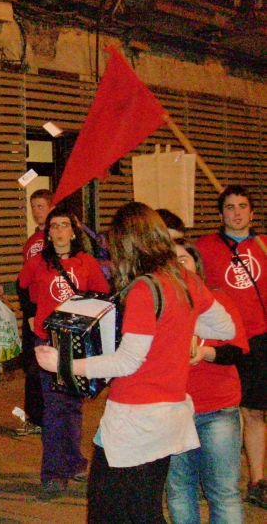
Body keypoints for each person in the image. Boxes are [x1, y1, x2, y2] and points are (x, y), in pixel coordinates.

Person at [36, 202, 235, 524]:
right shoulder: (184, 278)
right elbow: (224, 327)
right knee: (143, 508)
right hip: (170, 413)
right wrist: (176, 326)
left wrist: (64, 364)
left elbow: (127, 362)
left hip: (135, 414)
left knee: (107, 510)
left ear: (127, 243)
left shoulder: (145, 288)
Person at [18, 206, 110, 499]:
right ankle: (54, 473)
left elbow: (101, 296)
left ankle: (73, 462)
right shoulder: (37, 263)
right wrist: (31, 315)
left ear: (74, 230)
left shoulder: (87, 263)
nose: (59, 231)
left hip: (77, 344)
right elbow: (22, 288)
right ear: (48, 233)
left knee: (73, 406)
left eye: (64, 225)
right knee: (55, 409)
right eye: (54, 226)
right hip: (48, 342)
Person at [166, 239, 248, 524]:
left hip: (218, 409)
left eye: (183, 259)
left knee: (223, 492)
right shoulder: (158, 306)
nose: (178, 266)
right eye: (170, 261)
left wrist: (204, 352)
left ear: (196, 266)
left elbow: (235, 349)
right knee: (179, 490)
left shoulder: (219, 301)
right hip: (175, 410)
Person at [195, 184, 267, 509]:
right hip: (220, 341)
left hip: (259, 340)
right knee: (215, 412)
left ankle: (257, 480)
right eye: (229, 206)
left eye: (242, 206)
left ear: (252, 213)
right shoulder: (204, 248)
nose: (236, 212)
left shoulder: (264, 246)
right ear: (220, 213)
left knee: (253, 412)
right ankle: (214, 479)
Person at [16, 188, 53, 436]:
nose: (36, 211)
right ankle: (35, 417)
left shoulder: (54, 239)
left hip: (50, 308)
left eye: (41, 206)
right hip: (33, 309)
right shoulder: (32, 241)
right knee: (32, 363)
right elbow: (26, 277)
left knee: (45, 363)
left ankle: (46, 417)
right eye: (33, 206)